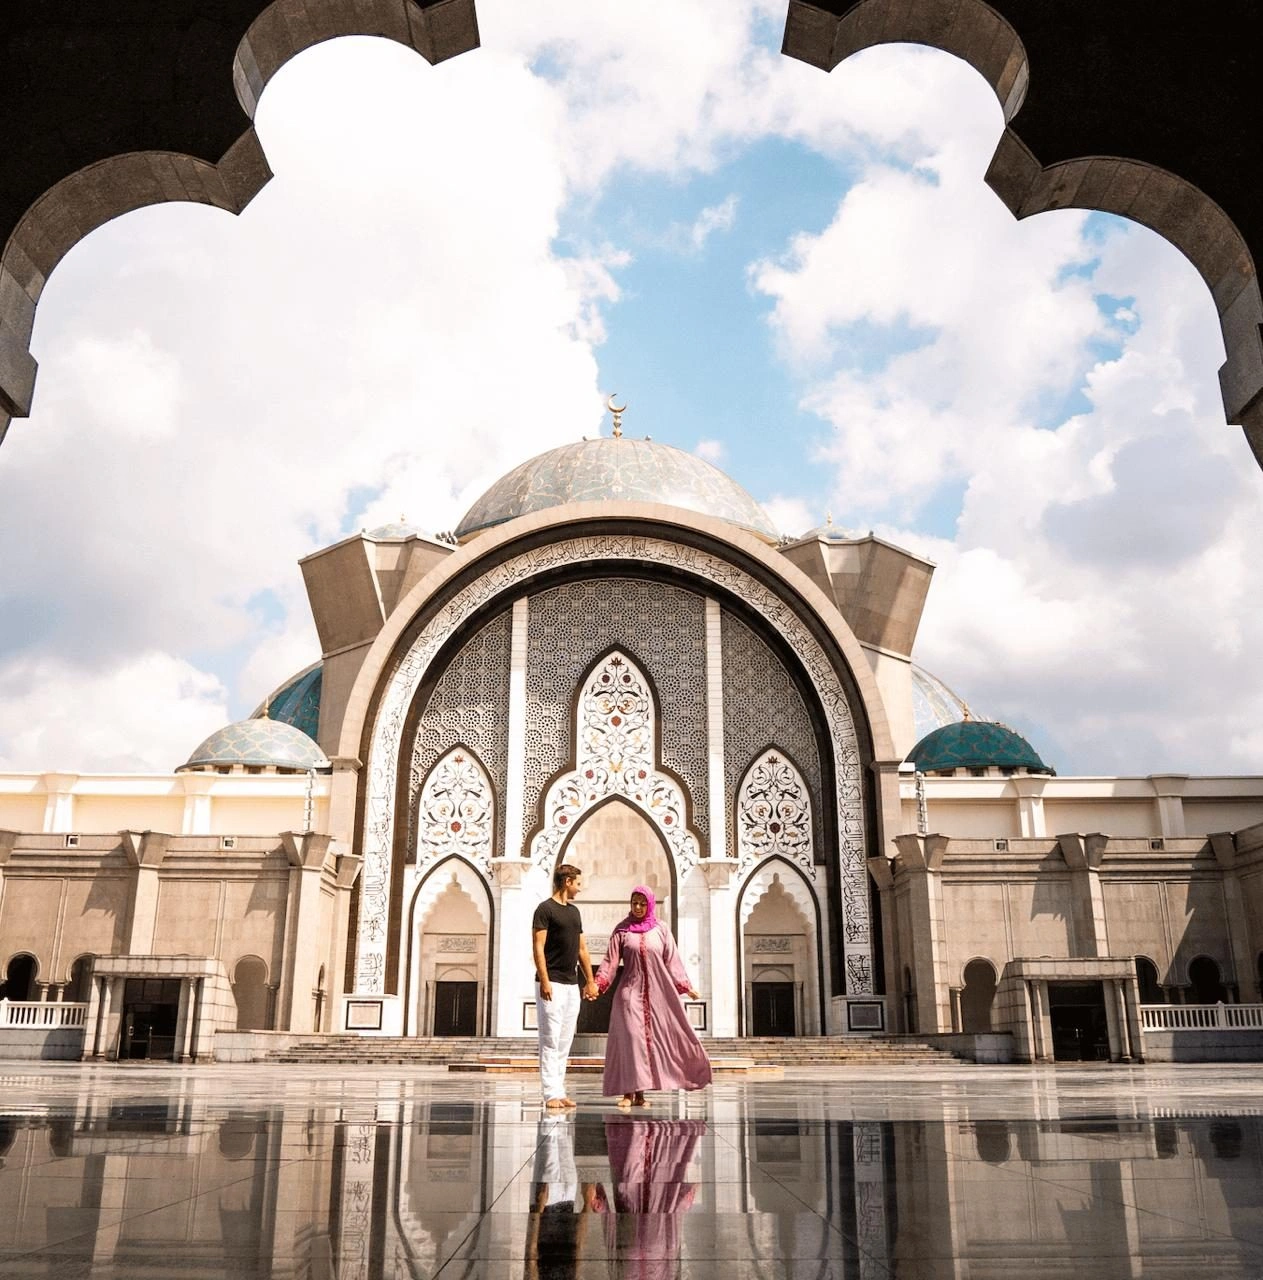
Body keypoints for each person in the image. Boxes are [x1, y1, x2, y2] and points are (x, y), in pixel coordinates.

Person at [593, 886, 712, 1107]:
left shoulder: (661, 929)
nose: (637, 907)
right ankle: (628, 1092)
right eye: (634, 903)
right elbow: (610, 962)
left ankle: (641, 1094)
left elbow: (672, 960)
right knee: (632, 1041)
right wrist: (598, 985)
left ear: (650, 905)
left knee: (653, 1043)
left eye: (642, 903)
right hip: (629, 994)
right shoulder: (622, 930)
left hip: (657, 996)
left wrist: (686, 987)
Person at [532, 863, 598, 1110]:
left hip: (571, 985)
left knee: (564, 1041)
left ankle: (559, 1090)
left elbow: (582, 949)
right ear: (567, 881)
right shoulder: (545, 910)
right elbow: (538, 946)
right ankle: (550, 1094)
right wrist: (545, 979)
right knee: (549, 1040)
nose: (580, 889)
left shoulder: (574, 913)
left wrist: (590, 980)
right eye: (578, 883)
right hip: (552, 984)